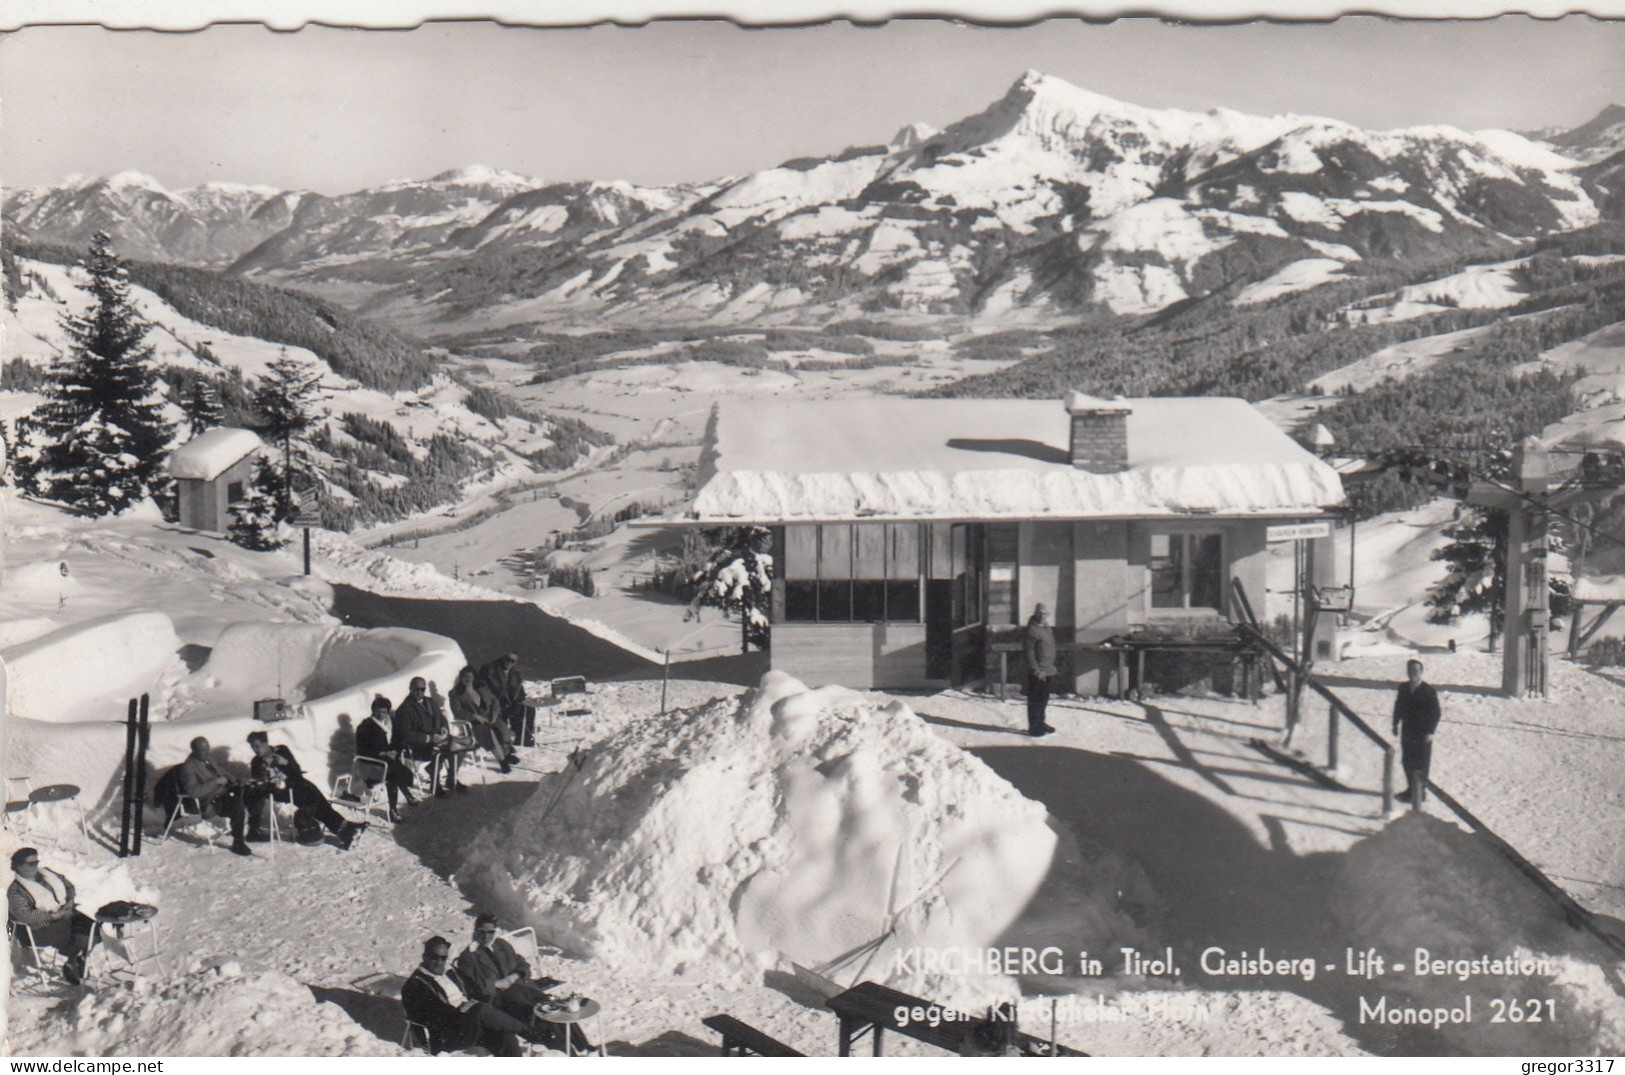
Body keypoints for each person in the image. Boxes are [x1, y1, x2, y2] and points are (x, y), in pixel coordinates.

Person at [455, 912, 594, 1054]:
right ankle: (570, 1055)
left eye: (490, 932)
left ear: (495, 931)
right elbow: (475, 987)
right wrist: (497, 984)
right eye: (481, 932)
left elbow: (522, 963)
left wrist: (516, 975)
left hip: (525, 988)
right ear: (475, 931)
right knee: (545, 1021)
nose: (486, 936)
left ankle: (586, 1047)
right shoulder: (468, 957)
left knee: (558, 1010)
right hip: (502, 999)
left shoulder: (501, 945)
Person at [401, 935, 526, 1056]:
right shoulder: (414, 985)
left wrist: (479, 1000)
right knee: (481, 1010)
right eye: (434, 957)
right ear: (424, 957)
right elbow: (432, 1015)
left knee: (506, 1038)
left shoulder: (450, 972)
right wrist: (463, 1010)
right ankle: (527, 1031)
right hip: (447, 1034)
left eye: (443, 958)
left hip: (470, 1025)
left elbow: (473, 989)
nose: (439, 962)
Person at [246, 731, 365, 850]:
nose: (255, 750)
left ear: (266, 743)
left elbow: (296, 770)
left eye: (257, 746)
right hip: (280, 792)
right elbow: (261, 785)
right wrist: (267, 776)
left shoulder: (281, 750)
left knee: (315, 798)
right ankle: (347, 829)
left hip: (296, 784)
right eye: (252, 747)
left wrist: (286, 763)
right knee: (313, 801)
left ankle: (347, 829)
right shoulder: (256, 762)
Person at [7, 848, 94, 984]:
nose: (35, 866)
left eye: (36, 862)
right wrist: (54, 915)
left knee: (92, 925)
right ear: (18, 866)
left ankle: (76, 958)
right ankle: (73, 961)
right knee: (77, 931)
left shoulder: (47, 873)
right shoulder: (15, 891)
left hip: (63, 916)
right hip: (38, 930)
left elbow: (69, 886)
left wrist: (69, 902)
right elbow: (26, 916)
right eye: (30, 863)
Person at [173, 735, 264, 856]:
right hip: (212, 801)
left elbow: (222, 771)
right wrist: (215, 782)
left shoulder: (209, 758)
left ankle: (254, 831)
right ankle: (238, 842)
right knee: (237, 805)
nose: (206, 753)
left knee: (255, 791)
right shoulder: (188, 768)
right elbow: (192, 792)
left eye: (207, 749)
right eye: (202, 751)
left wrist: (235, 780)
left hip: (225, 791)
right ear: (194, 751)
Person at [395, 677, 467, 797]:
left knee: (459, 746)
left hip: (437, 739)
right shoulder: (405, 709)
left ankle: (451, 778)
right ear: (410, 689)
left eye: (422, 689)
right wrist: (429, 738)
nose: (419, 692)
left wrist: (444, 728)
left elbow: (442, 718)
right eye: (416, 689)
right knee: (439, 751)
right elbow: (407, 735)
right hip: (419, 746)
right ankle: (435, 783)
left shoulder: (431, 702)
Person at [354, 694, 417, 822]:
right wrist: (381, 754)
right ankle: (395, 808)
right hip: (372, 765)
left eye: (384, 711)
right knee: (394, 774)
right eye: (378, 711)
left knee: (393, 771)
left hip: (389, 762)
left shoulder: (390, 723)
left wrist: (395, 751)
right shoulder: (365, 727)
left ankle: (399, 803)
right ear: (373, 710)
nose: (381, 714)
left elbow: (399, 740)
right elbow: (362, 751)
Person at [449, 667, 518, 774]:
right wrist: (475, 717)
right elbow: (457, 712)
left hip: (489, 716)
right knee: (490, 734)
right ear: (461, 678)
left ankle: (506, 753)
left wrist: (494, 714)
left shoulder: (481, 687)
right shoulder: (455, 694)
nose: (468, 679)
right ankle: (502, 761)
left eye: (471, 677)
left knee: (504, 731)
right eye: (465, 677)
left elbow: (495, 700)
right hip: (475, 722)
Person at [1392, 658, 1442, 806]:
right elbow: (1398, 706)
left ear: (1421, 672)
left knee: (1421, 763)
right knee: (1407, 761)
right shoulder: (1403, 688)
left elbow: (1436, 713)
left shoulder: (1428, 690)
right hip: (1407, 731)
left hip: (1422, 734)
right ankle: (1411, 789)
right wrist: (1395, 723)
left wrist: (1430, 731)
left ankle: (1420, 793)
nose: (1412, 673)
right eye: (1410, 670)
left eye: (1415, 670)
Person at [478, 653, 529, 747]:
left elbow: (519, 690)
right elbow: (483, 688)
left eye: (512, 661)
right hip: (494, 702)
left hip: (509, 702)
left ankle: (523, 737)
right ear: (502, 659)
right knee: (501, 715)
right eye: (507, 659)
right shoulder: (490, 670)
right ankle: (503, 740)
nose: (509, 662)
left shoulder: (515, 674)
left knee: (527, 709)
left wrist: (519, 701)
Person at [1022, 604, 1057, 737]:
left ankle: (1040, 722)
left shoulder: (1047, 628)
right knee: (1036, 700)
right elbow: (1029, 653)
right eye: (1040, 613)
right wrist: (1035, 670)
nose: (1043, 616)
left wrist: (1050, 667)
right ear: (1035, 613)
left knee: (1044, 699)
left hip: (1047, 670)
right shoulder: (1032, 630)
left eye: (1045, 613)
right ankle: (1034, 727)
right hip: (1038, 672)